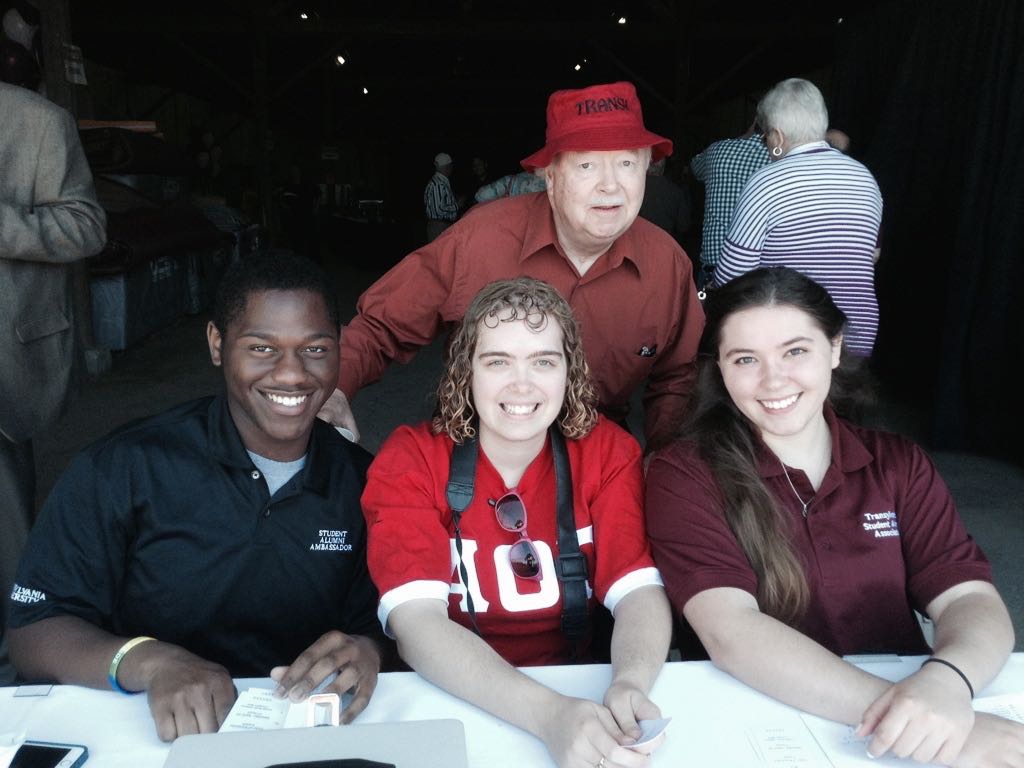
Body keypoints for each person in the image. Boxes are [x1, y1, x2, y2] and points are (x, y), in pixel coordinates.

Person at [646, 267, 1022, 766]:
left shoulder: (897, 463)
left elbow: (970, 597)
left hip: (908, 710)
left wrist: (947, 681)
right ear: (720, 369)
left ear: (836, 348)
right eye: (745, 359)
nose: (773, 379)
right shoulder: (684, 474)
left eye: (795, 351)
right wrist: (915, 719)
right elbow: (731, 630)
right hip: (757, 721)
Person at [6, 253, 385, 741]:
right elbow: (34, 628)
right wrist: (150, 661)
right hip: (146, 730)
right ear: (217, 345)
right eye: (262, 348)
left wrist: (370, 650)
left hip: (303, 730)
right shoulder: (125, 467)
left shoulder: (364, 483)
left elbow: (387, 622)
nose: (292, 374)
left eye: (315, 349)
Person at [362, 278, 672, 768]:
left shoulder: (607, 452)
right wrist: (550, 717)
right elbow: (416, 625)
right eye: (497, 361)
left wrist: (629, 681)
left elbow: (638, 593)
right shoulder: (411, 458)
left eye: (544, 362)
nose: (522, 385)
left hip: (580, 691)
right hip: (448, 695)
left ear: (570, 373)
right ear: (465, 373)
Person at [322, 81, 704, 453]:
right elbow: (381, 325)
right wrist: (335, 390)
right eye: (587, 164)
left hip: (598, 459)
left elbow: (677, 377)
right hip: (475, 447)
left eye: (626, 163)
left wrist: (664, 467)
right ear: (549, 176)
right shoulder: (478, 238)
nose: (610, 185)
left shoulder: (667, 264)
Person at [0, 81, 107, 685]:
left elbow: (85, 226)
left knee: (7, 541)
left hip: (2, 366)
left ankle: (18, 675)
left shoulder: (35, 121)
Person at [714, 78, 883, 357]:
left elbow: (734, 275)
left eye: (765, 135)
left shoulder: (767, 181)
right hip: (857, 332)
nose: (766, 143)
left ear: (778, 137)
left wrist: (708, 291)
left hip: (791, 337)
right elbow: (872, 255)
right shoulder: (865, 178)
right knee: (837, 401)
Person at [689, 120, 770, 289]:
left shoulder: (717, 150)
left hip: (714, 268)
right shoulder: (780, 159)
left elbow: (695, 167)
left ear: (754, 122)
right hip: (761, 276)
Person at [637, 156, 691, 246]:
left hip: (635, 247)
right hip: (664, 246)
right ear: (663, 168)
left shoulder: (632, 188)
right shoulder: (676, 191)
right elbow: (684, 226)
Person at [424, 151, 459, 242]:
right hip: (439, 226)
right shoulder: (438, 184)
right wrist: (457, 205)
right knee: (441, 255)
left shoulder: (439, 182)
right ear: (447, 167)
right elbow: (438, 210)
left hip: (441, 225)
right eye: (450, 166)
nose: (452, 168)